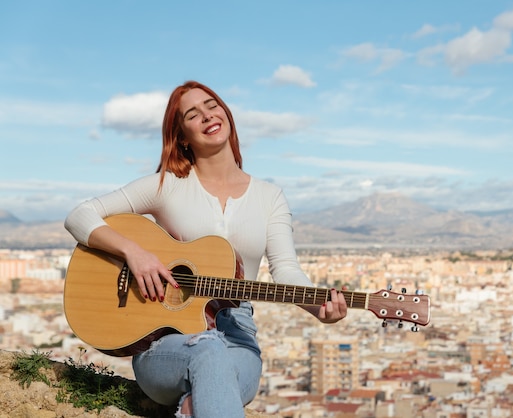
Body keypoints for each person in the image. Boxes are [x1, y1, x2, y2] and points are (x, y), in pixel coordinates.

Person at [64, 80, 348, 418]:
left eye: (212, 105)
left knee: (204, 390)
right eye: (192, 114)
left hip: (239, 335)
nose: (207, 116)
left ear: (226, 113)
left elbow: (285, 269)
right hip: (164, 343)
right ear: (182, 135)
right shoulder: (166, 185)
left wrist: (320, 309)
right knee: (208, 350)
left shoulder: (269, 197)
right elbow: (79, 215)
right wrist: (133, 253)